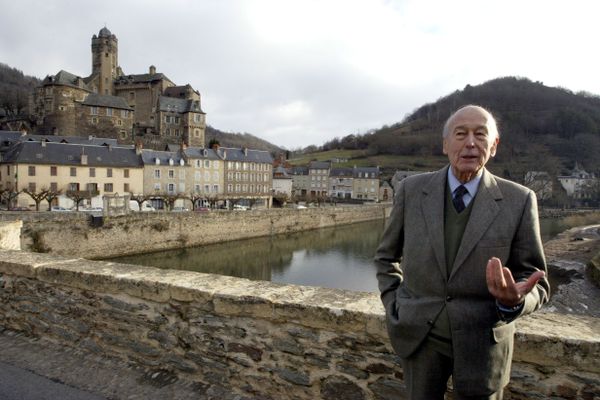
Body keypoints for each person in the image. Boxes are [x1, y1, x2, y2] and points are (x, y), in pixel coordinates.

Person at [374, 105, 549, 400]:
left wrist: (515, 301)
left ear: (493, 147)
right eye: (460, 134)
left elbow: (537, 280)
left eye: (480, 135)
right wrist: (395, 305)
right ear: (445, 144)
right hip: (420, 338)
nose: (470, 142)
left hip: (485, 343)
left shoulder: (519, 200)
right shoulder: (411, 191)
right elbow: (385, 258)